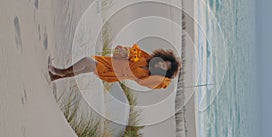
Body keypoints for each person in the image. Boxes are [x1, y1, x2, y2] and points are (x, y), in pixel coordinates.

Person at [49, 44, 181, 89]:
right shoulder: (146, 58)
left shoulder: (149, 78)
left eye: (164, 67)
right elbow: (131, 51)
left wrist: (166, 78)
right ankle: (55, 77)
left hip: (114, 73)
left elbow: (162, 83)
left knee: (86, 62)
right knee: (86, 68)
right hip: (111, 62)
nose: (160, 64)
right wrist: (123, 51)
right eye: (163, 62)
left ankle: (60, 71)